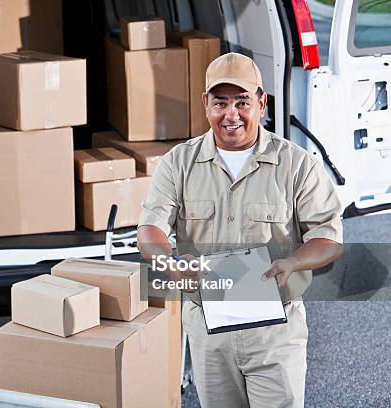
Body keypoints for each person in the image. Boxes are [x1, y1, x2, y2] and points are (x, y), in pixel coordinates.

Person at [137, 52, 344, 408]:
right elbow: (150, 230)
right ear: (205, 104)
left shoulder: (296, 165)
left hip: (273, 331)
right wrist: (172, 265)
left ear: (261, 103)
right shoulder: (179, 163)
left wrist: (293, 262)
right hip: (208, 328)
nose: (231, 114)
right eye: (220, 103)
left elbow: (328, 238)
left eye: (242, 102)